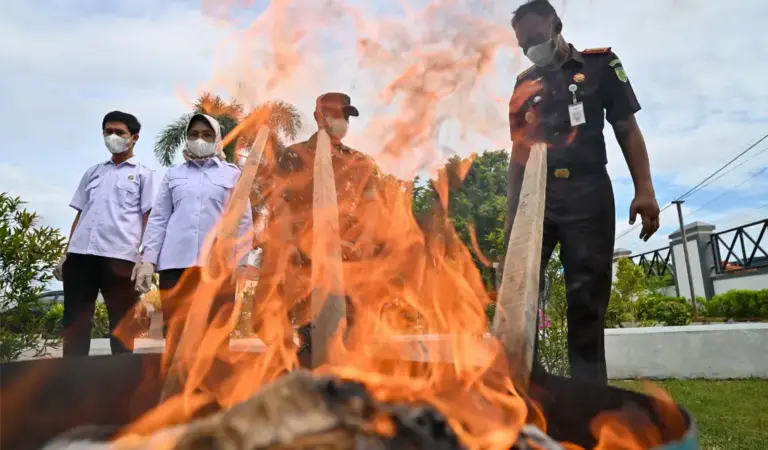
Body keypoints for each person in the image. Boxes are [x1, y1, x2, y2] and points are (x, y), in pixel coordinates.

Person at [505, 0, 660, 384]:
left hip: (589, 193)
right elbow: (519, 155)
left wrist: (644, 190)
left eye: (536, 38)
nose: (531, 48)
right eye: (523, 44)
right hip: (538, 197)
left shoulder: (600, 65)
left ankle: (588, 400)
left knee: (587, 303)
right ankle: (526, 391)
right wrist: (511, 219)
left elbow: (626, 127)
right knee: (519, 295)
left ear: (556, 26)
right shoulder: (524, 84)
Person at [253, 92, 379, 354]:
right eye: (333, 114)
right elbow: (281, 204)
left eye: (345, 116)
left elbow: (372, 210)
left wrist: (360, 243)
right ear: (318, 117)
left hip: (349, 261)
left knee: (349, 337)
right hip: (305, 260)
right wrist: (290, 244)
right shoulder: (294, 156)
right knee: (308, 337)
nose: (340, 121)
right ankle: (297, 366)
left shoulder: (362, 163)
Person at [133, 113, 253, 356]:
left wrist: (240, 262)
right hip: (175, 266)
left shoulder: (231, 175)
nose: (200, 139)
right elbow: (159, 218)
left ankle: (214, 380)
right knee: (176, 335)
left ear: (217, 139)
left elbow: (242, 219)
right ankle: (176, 379)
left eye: (207, 135)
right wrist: (148, 260)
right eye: (194, 134)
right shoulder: (174, 174)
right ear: (186, 138)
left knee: (216, 337)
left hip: (218, 267)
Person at [53, 111, 155, 356]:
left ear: (134, 138)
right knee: (75, 324)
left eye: (120, 132)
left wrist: (146, 258)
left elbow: (150, 217)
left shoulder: (144, 175)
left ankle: (121, 378)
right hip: (80, 256)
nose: (113, 136)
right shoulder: (93, 172)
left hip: (120, 258)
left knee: (122, 326)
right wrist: (67, 252)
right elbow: (81, 214)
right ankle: (74, 376)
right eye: (108, 131)